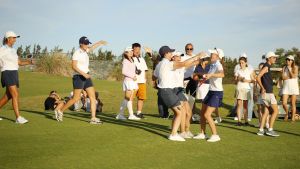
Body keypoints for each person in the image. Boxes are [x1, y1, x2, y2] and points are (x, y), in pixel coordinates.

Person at [153, 46, 205, 141]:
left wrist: (157, 83)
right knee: (179, 112)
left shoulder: (160, 64)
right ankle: (175, 134)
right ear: (165, 54)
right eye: (170, 52)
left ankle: (175, 132)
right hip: (167, 90)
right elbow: (185, 63)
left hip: (167, 90)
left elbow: (154, 76)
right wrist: (197, 55)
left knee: (179, 112)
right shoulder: (167, 63)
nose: (171, 54)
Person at [55, 36, 107, 124]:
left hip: (86, 76)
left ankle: (93, 118)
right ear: (81, 44)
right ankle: (60, 111)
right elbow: (73, 66)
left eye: (88, 43)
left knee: (92, 97)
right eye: (85, 44)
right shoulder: (76, 53)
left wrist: (99, 43)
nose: (87, 45)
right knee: (76, 98)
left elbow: (92, 48)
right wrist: (84, 74)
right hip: (78, 77)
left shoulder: (85, 51)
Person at [0, 31, 34, 124]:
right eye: (13, 38)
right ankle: (18, 118)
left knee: (8, 96)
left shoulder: (13, 50)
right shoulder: (2, 49)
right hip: (7, 72)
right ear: (8, 39)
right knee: (15, 94)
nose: (15, 40)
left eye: (15, 38)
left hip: (14, 73)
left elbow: (19, 63)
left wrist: (29, 62)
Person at [193, 48, 225, 142]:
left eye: (213, 54)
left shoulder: (218, 64)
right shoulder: (212, 65)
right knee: (203, 113)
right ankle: (203, 133)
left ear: (218, 56)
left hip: (217, 92)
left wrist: (211, 75)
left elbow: (222, 74)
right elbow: (209, 75)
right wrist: (203, 77)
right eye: (211, 54)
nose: (211, 55)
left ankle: (215, 135)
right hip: (210, 91)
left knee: (207, 114)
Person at [172, 51, 199, 139]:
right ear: (173, 57)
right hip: (175, 90)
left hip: (181, 90)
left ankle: (186, 130)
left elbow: (187, 65)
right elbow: (185, 64)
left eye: (180, 56)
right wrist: (197, 57)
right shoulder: (173, 65)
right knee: (183, 112)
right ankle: (182, 131)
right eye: (178, 56)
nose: (180, 57)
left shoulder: (180, 66)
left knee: (189, 112)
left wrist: (197, 60)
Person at [256, 51, 280, 137]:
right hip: (268, 93)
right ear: (269, 58)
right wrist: (262, 88)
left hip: (266, 94)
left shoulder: (267, 66)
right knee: (276, 111)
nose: (275, 59)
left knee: (266, 112)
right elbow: (258, 77)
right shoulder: (266, 67)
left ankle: (261, 130)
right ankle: (270, 129)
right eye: (273, 57)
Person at [116, 47, 141, 120]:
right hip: (128, 81)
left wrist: (135, 73)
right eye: (130, 51)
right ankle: (121, 114)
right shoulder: (125, 60)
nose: (131, 52)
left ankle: (130, 115)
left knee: (129, 98)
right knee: (127, 98)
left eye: (132, 51)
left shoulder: (132, 60)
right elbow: (123, 72)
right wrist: (132, 76)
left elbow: (130, 70)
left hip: (132, 81)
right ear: (126, 53)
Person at [234, 54, 255, 126]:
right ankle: (239, 121)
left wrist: (246, 80)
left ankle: (246, 121)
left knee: (245, 106)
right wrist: (239, 79)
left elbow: (253, 80)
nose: (241, 64)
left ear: (246, 63)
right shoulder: (238, 70)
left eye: (242, 63)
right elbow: (235, 80)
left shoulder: (249, 70)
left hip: (247, 89)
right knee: (239, 105)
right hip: (239, 88)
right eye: (240, 63)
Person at [132, 43, 148, 119]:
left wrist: (145, 79)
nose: (137, 51)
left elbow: (145, 70)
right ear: (132, 50)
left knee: (141, 98)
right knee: (131, 98)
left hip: (142, 82)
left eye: (139, 49)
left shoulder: (142, 59)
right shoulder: (130, 59)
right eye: (136, 49)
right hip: (133, 82)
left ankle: (139, 112)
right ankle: (131, 113)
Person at [282, 55, 299, 122]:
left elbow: (294, 76)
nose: (288, 61)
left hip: (293, 87)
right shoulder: (284, 68)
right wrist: (289, 76)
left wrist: (289, 70)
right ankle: (287, 113)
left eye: (289, 60)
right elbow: (283, 78)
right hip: (286, 87)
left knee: (292, 103)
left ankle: (292, 118)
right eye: (287, 60)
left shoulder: (295, 67)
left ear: (292, 61)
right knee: (284, 103)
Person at [254, 63, 269, 128]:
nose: (261, 69)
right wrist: (255, 94)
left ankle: (267, 123)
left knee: (266, 109)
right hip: (258, 94)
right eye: (260, 68)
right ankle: (260, 123)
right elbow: (255, 86)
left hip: (265, 94)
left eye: (262, 67)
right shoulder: (257, 76)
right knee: (259, 109)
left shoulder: (267, 76)